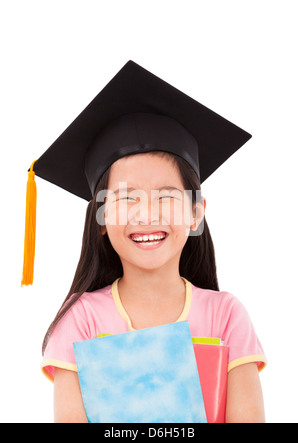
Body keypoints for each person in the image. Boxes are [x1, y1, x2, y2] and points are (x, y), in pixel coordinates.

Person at [22, 61, 267, 423]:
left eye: (167, 196)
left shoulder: (226, 316)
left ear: (196, 213)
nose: (147, 215)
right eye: (126, 198)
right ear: (101, 218)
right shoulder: (83, 319)